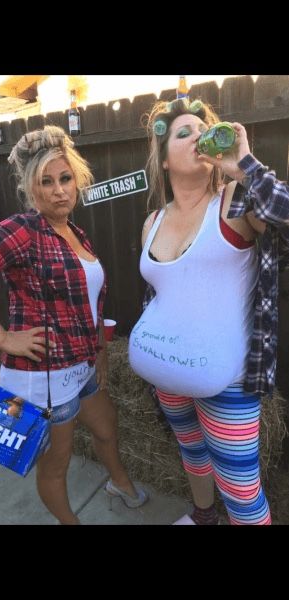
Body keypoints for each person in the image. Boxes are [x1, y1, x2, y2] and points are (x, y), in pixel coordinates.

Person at [0, 125, 148, 525]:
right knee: (55, 463)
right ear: (30, 188)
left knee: (107, 428)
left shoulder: (74, 232)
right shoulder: (22, 230)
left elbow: (88, 302)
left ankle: (120, 482)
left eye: (65, 178)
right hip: (43, 379)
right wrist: (2, 337)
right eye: (46, 182)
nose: (59, 190)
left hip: (83, 366)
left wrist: (100, 354)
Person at [128, 98, 289, 525]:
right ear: (163, 160)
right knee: (192, 453)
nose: (198, 136)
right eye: (184, 132)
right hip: (165, 378)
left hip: (227, 383)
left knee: (241, 491)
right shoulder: (153, 222)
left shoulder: (236, 200)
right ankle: (202, 516)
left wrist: (246, 166)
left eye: (203, 129)